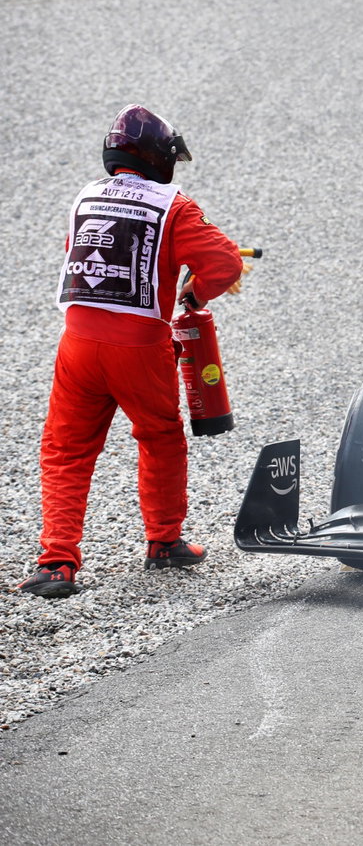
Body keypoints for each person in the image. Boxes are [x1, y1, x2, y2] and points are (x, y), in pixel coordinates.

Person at [16, 106, 244, 598]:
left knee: (66, 450)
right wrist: (194, 293)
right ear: (159, 158)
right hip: (140, 348)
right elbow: (226, 263)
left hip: (78, 345)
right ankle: (164, 542)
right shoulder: (174, 206)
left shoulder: (86, 196)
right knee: (160, 438)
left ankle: (56, 563)